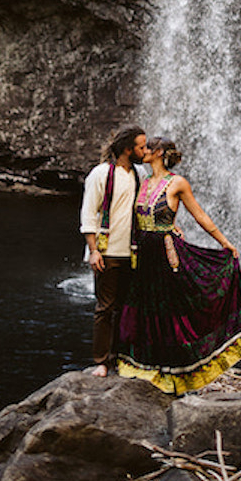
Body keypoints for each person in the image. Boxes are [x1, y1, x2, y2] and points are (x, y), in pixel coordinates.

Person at [114, 137, 241, 393]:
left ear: (158, 153)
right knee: (147, 306)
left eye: (147, 148)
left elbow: (199, 215)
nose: (142, 152)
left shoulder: (177, 183)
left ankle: (177, 372)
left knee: (170, 308)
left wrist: (226, 243)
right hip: (144, 253)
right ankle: (148, 365)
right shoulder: (144, 182)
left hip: (166, 253)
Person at [79, 125, 148, 377]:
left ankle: (122, 357)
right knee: (105, 308)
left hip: (132, 252)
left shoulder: (140, 174)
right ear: (128, 148)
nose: (145, 150)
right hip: (106, 253)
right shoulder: (101, 174)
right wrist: (93, 250)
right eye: (141, 146)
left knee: (127, 308)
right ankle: (101, 361)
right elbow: (88, 213)